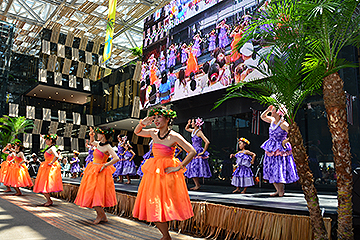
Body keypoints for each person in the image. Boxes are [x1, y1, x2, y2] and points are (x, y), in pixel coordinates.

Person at [132, 107, 196, 240]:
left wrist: (179, 167)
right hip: (154, 173)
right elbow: (137, 132)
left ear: (168, 119)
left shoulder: (174, 136)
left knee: (164, 205)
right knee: (152, 204)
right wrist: (143, 122)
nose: (156, 120)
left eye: (159, 117)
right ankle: (166, 236)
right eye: (155, 118)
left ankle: (166, 236)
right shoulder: (153, 132)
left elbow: (192, 151)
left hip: (167, 174)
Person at [74, 127, 120, 224]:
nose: (97, 135)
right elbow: (92, 142)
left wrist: (105, 165)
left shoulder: (108, 147)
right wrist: (91, 135)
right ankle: (102, 216)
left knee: (96, 194)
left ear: (103, 135)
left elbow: (116, 158)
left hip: (100, 172)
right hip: (93, 170)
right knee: (91, 192)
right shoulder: (98, 144)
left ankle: (100, 215)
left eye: (98, 134)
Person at [260, 105, 299, 197]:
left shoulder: (284, 124)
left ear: (279, 113)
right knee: (271, 169)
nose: (271, 112)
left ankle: (281, 191)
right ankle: (278, 190)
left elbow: (294, 134)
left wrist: (284, 141)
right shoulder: (272, 121)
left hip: (280, 149)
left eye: (273, 111)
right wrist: (268, 109)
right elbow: (262, 116)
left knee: (278, 168)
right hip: (271, 147)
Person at [33, 134, 63, 206]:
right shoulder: (50, 147)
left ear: (51, 140)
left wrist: (51, 163)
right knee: (43, 184)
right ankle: (49, 200)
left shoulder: (52, 148)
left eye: (47, 140)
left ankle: (49, 201)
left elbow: (56, 156)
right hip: (46, 167)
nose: (45, 141)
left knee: (44, 184)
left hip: (48, 168)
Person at [184, 117, 211, 190]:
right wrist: (188, 124)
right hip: (193, 150)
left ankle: (197, 185)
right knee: (191, 168)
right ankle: (197, 185)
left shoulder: (199, 132)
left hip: (197, 151)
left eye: (192, 122)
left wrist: (203, 151)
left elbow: (207, 142)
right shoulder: (194, 131)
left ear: (196, 123)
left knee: (195, 168)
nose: (192, 123)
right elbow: (186, 129)